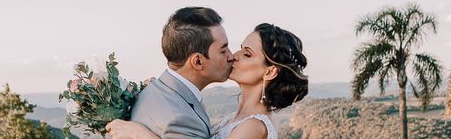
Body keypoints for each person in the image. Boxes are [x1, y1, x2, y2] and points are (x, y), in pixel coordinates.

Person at [107, 20, 308, 139]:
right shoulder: (235, 118)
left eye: (247, 54)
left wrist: (141, 135)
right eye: (240, 48)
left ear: (270, 72)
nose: (233, 56)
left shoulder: (254, 127)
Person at [107, 7, 234, 139]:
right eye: (223, 51)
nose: (232, 56)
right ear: (197, 62)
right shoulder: (181, 119)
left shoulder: (155, 89)